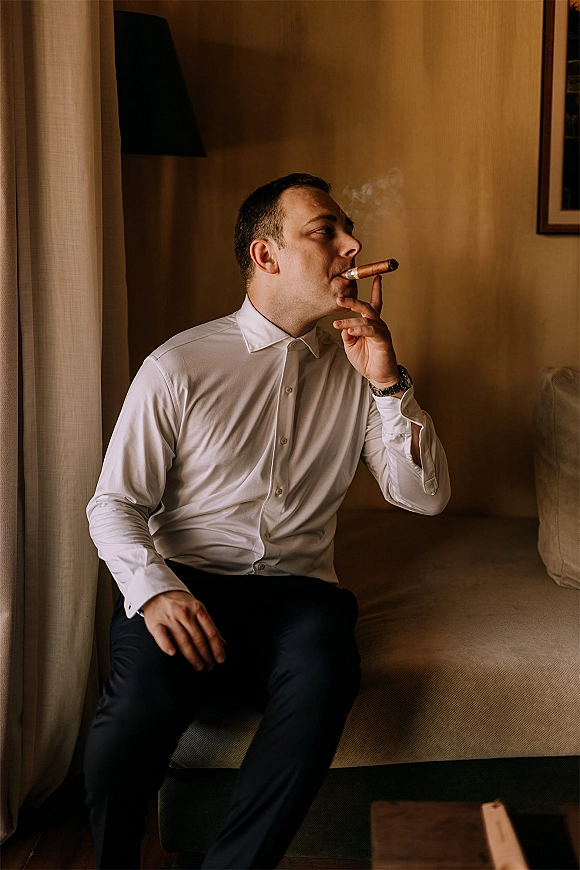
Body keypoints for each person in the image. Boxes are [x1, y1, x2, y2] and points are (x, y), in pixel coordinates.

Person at [84, 172, 450, 869]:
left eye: (348, 231)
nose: (352, 245)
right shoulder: (177, 366)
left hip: (299, 596)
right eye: (326, 231)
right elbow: (114, 503)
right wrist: (155, 591)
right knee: (127, 724)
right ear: (266, 255)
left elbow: (423, 499)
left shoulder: (359, 368)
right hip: (185, 582)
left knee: (325, 674)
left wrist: (387, 383)